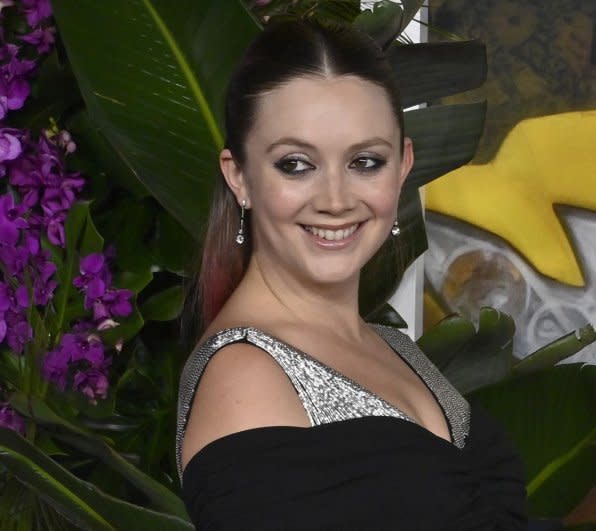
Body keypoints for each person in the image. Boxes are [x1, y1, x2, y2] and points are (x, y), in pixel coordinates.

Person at [175, 16, 527, 530]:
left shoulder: (395, 347)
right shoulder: (247, 375)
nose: (336, 200)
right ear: (239, 177)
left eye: (365, 162)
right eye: (296, 164)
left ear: (403, 165)